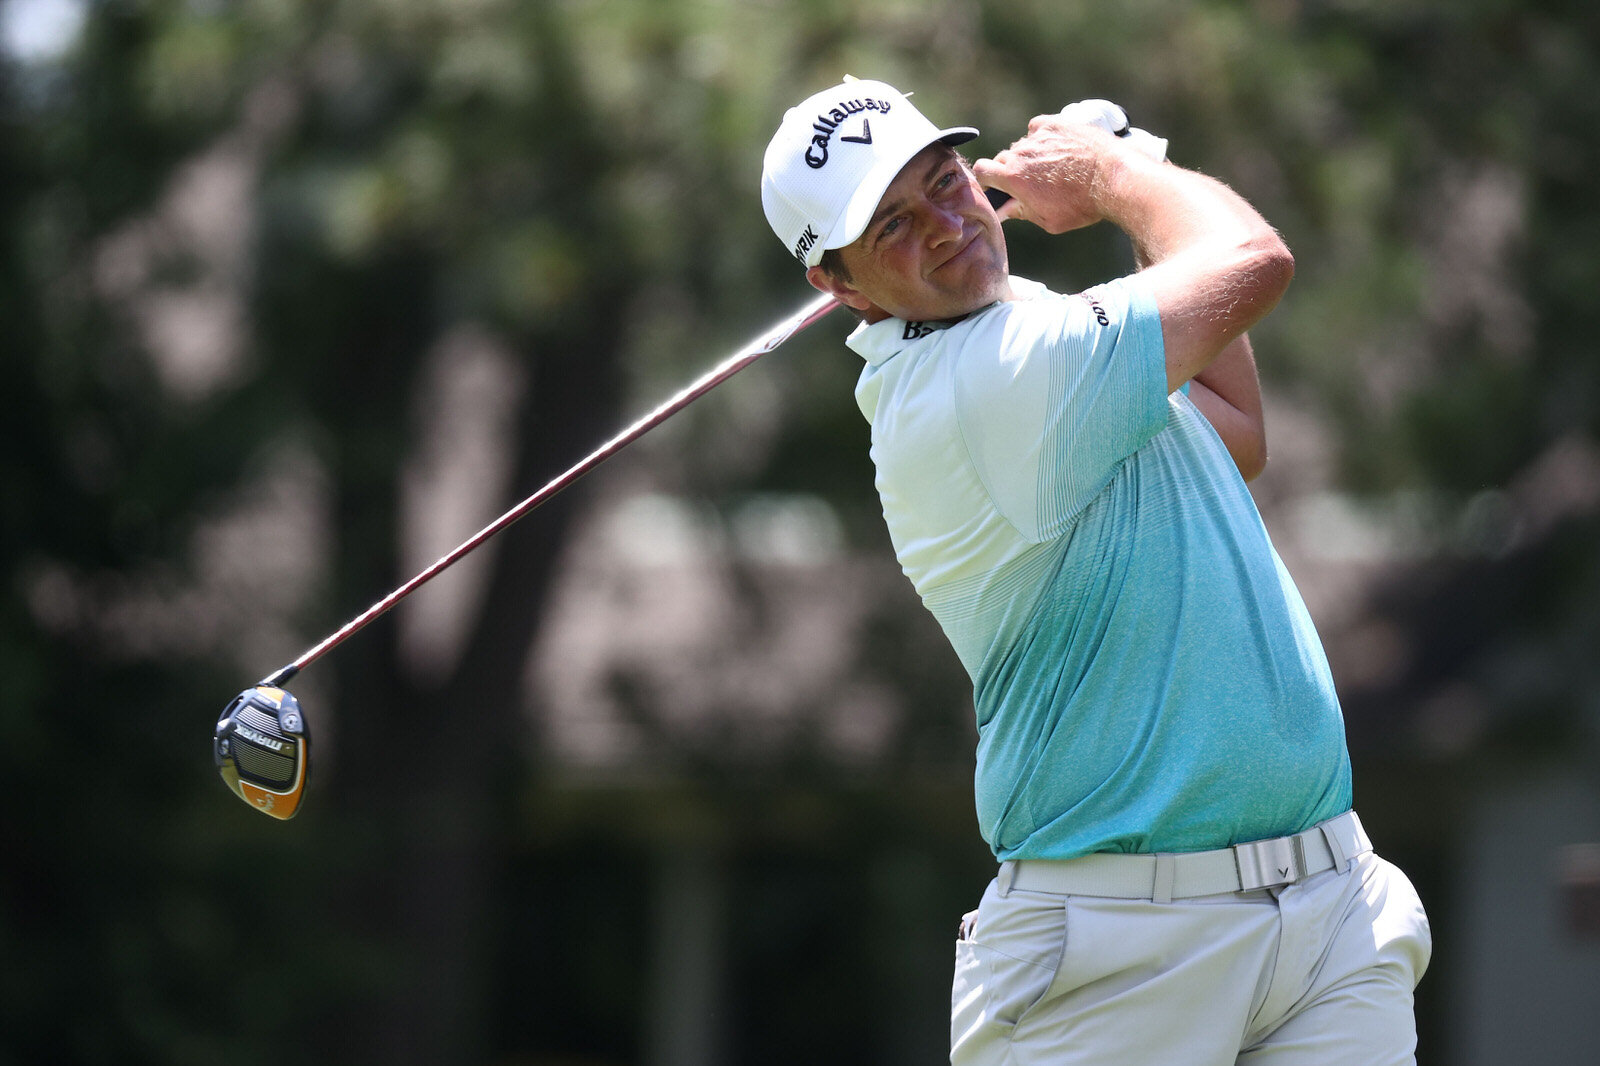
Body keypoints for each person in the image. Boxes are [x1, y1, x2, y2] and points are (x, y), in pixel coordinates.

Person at [759, 77, 1431, 1065]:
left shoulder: (1024, 325)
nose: (946, 224)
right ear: (842, 286)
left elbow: (1230, 433)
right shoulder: (975, 381)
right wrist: (1116, 175)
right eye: (894, 224)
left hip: (1328, 915)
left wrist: (1134, 186)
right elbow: (1253, 260)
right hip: (1113, 954)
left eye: (945, 182)